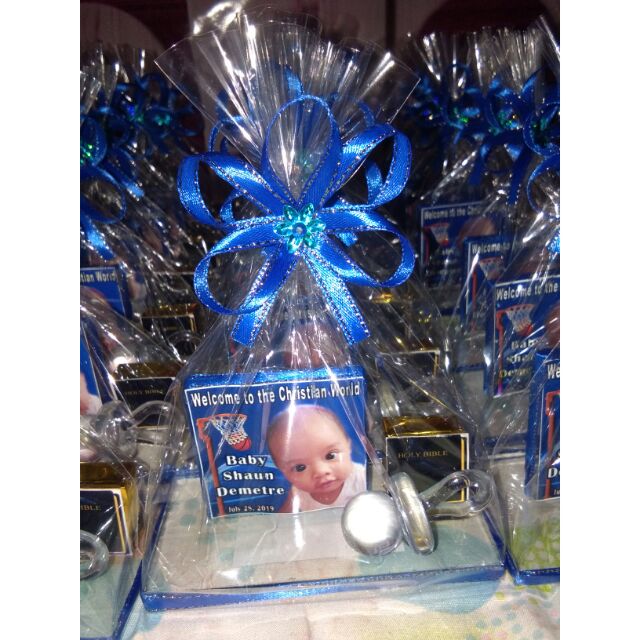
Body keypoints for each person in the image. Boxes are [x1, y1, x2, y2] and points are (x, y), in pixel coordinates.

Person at [266, 404, 365, 513]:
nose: (320, 471)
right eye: (300, 467)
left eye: (330, 456)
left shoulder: (360, 478)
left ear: (348, 445)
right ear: (283, 472)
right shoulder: (298, 493)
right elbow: (283, 519)